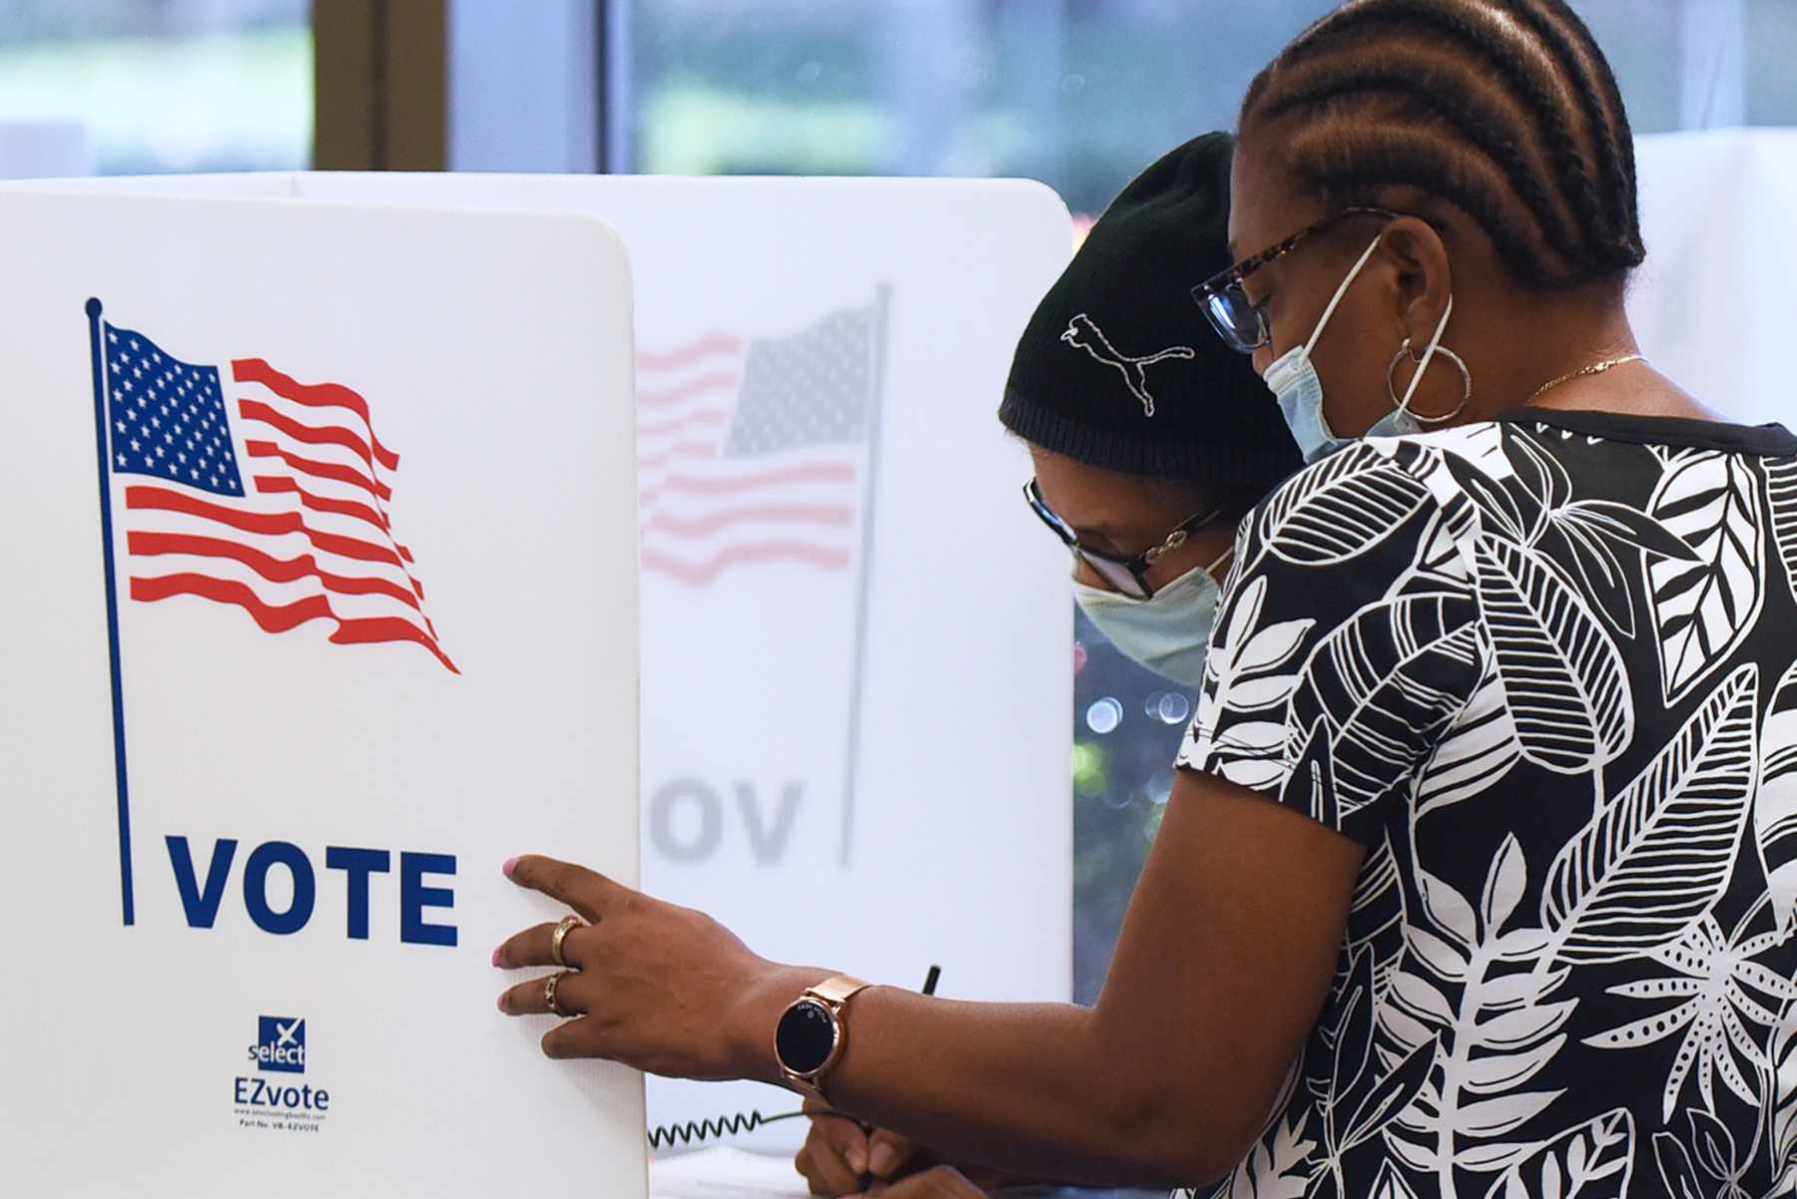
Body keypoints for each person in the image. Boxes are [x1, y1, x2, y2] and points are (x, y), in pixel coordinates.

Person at [494, 4, 1797, 1196]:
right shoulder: (1775, 507)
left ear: (1403, 271)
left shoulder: (1376, 513)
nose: (1272, 351)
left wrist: (759, 1003)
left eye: (1268, 291)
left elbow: (1156, 1100)